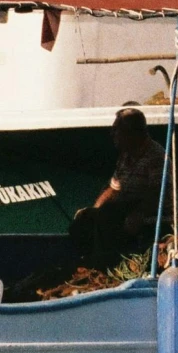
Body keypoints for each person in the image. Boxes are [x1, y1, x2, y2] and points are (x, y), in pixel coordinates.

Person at [67, 107, 165, 266]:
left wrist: (139, 214)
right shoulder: (126, 156)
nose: (112, 135)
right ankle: (85, 264)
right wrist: (94, 210)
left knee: (106, 216)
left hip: (148, 210)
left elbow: (157, 193)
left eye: (116, 131)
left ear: (132, 133)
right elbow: (114, 189)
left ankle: (105, 265)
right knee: (85, 219)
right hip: (123, 209)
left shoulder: (156, 156)